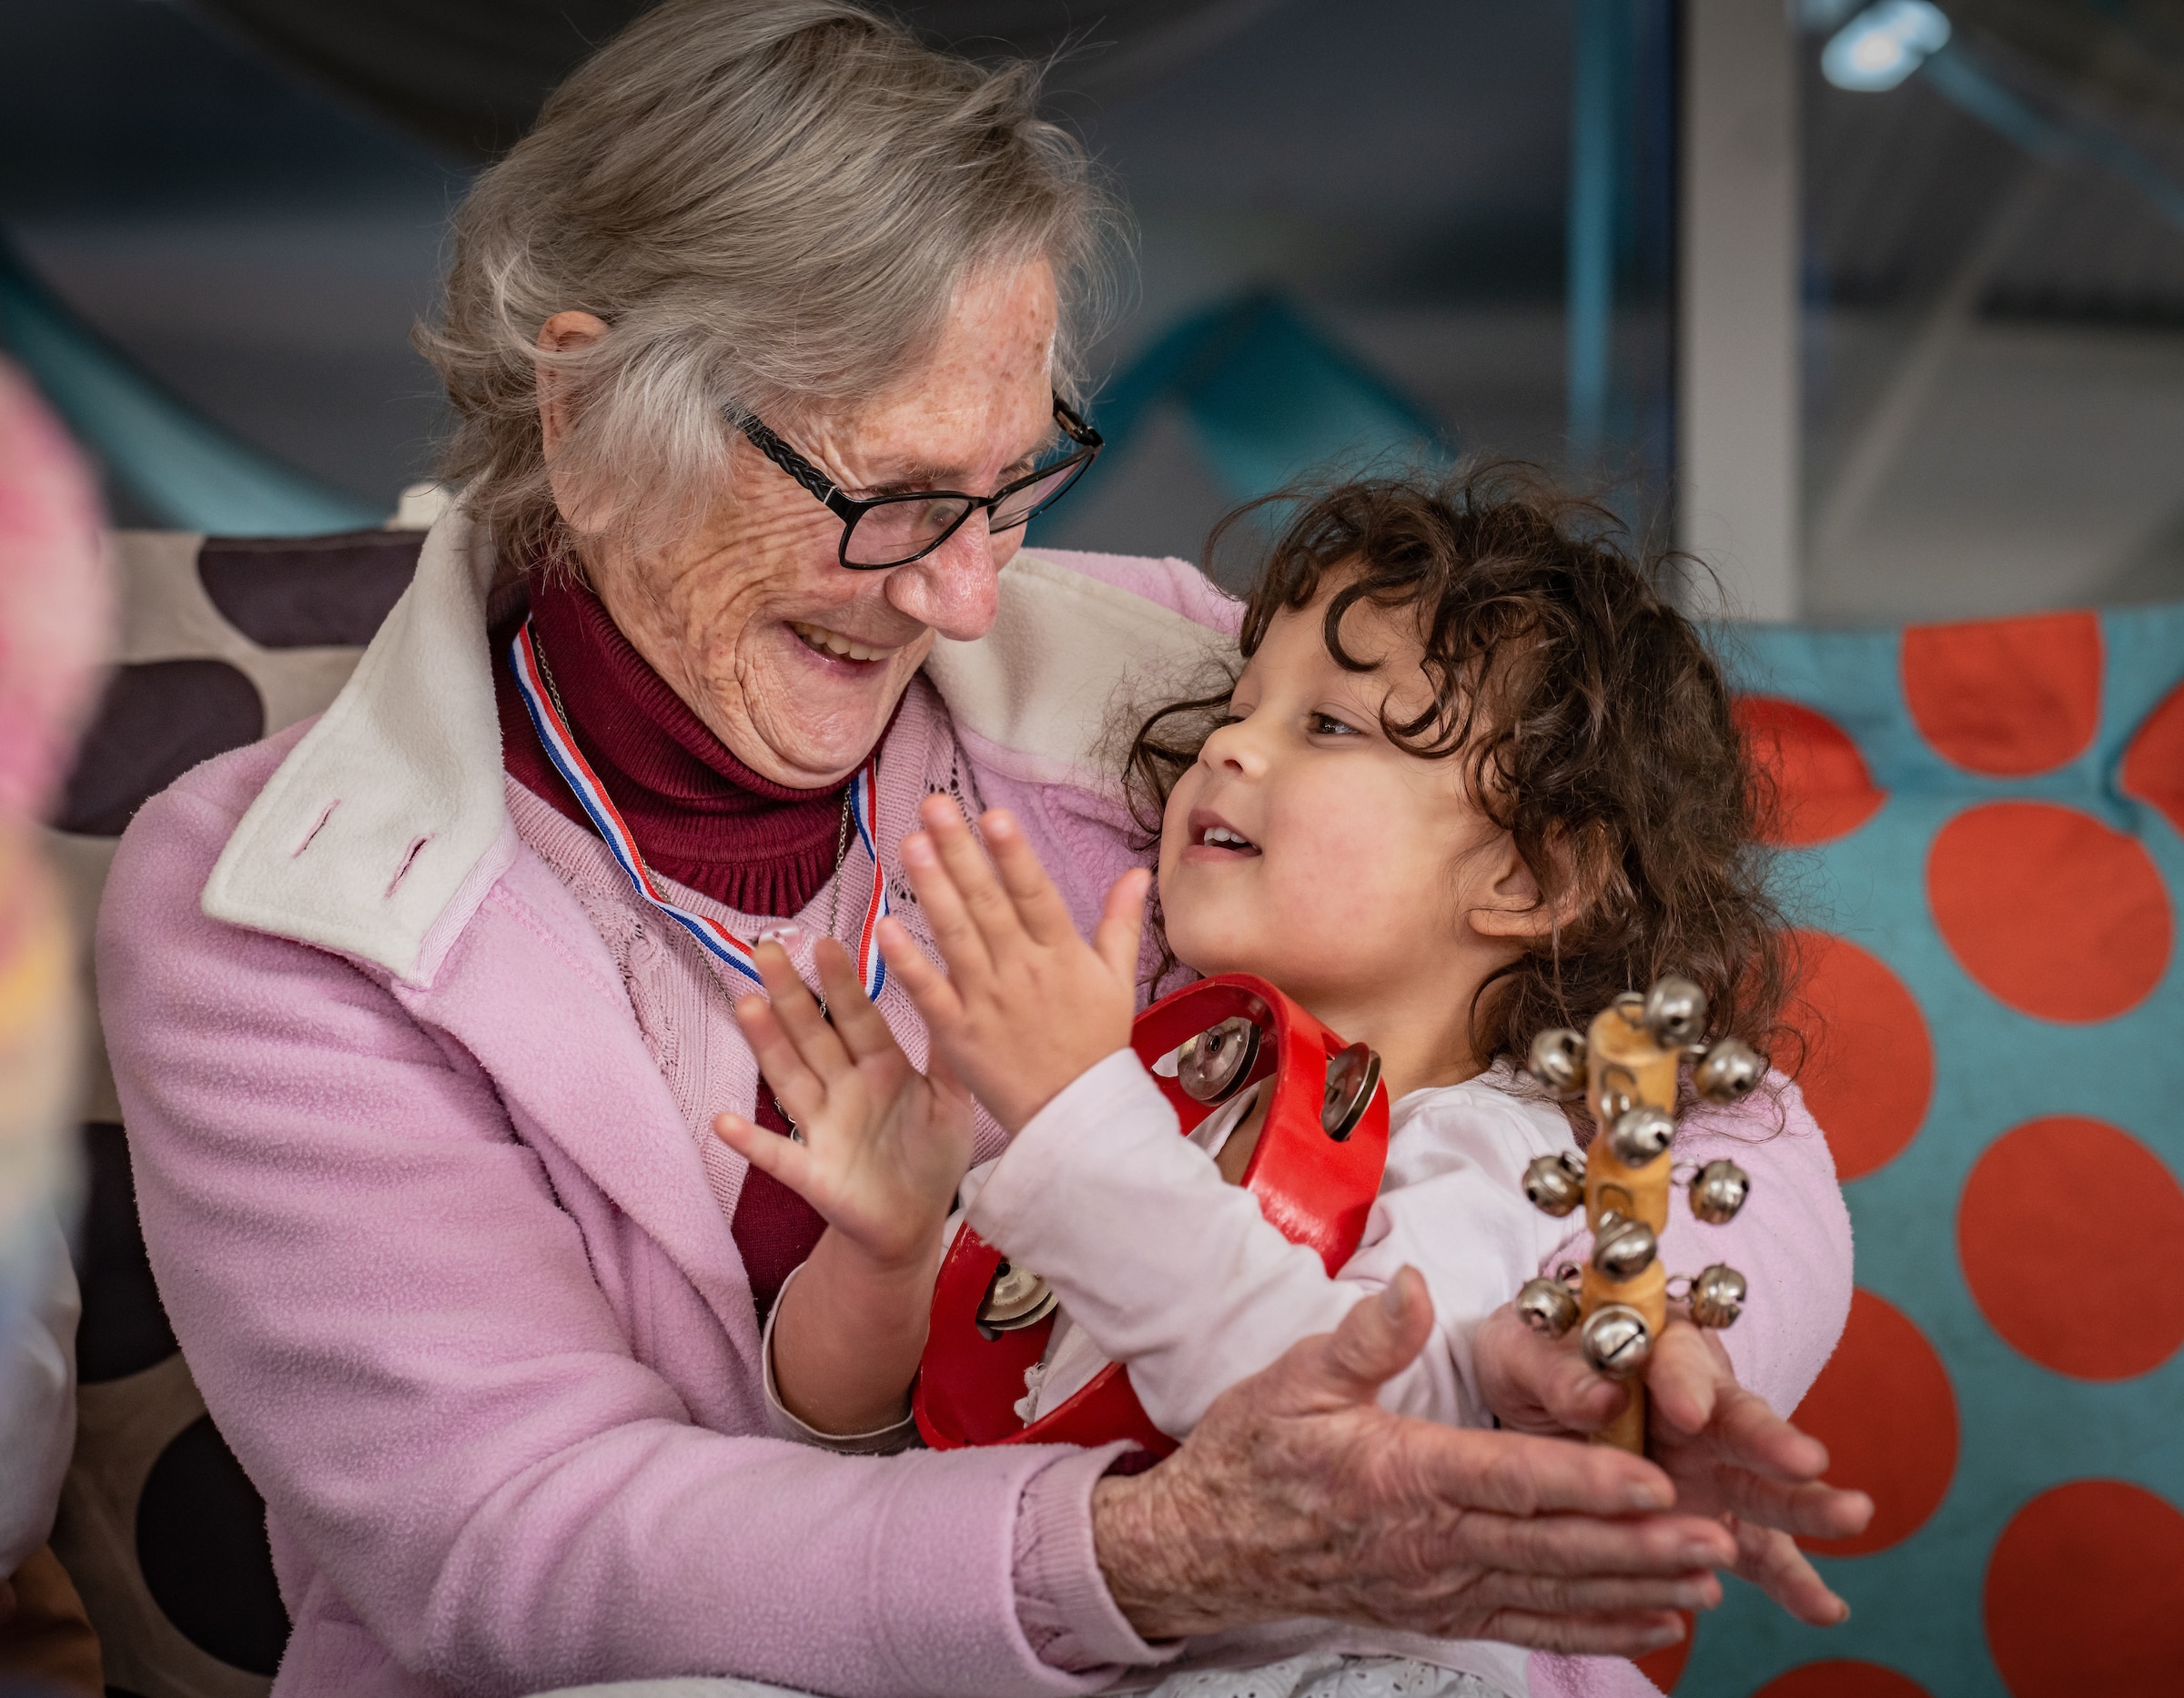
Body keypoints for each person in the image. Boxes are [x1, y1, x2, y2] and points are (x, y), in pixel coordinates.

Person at [97, 5, 1860, 1695]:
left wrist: (1630, 1360)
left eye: (1014, 488)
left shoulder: (1176, 690)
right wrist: (1145, 1553)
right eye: (891, 501)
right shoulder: (277, 911)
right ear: (590, 426)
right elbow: (514, 1536)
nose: (965, 590)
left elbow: (1676, 1073)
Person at [719, 469, 1865, 1696]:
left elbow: (1349, 1438)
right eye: (1242, 701)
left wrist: (1074, 1114)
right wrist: (885, 1258)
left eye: (1329, 725)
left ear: (1531, 881)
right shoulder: (1163, 1096)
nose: (1228, 741)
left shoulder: (1504, 1149)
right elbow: (886, 1450)